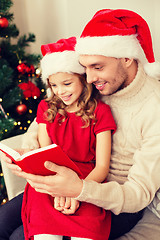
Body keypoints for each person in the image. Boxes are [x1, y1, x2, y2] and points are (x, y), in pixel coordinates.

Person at [1, 8, 160, 240]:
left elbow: (138, 194)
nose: (89, 78)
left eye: (97, 67)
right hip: (67, 177)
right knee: (3, 220)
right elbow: (45, 121)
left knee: (20, 235)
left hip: (113, 197)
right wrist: (31, 152)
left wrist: (78, 191)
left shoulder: (154, 108)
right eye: (85, 68)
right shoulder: (95, 85)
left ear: (127, 58)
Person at [2, 36, 117, 240]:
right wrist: (57, 190)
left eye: (66, 83)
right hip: (50, 181)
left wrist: (77, 191)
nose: (60, 91)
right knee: (45, 235)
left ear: (83, 79)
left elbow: (101, 168)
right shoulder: (46, 108)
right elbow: (45, 159)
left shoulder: (101, 112)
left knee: (87, 233)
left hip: (86, 180)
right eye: (54, 85)